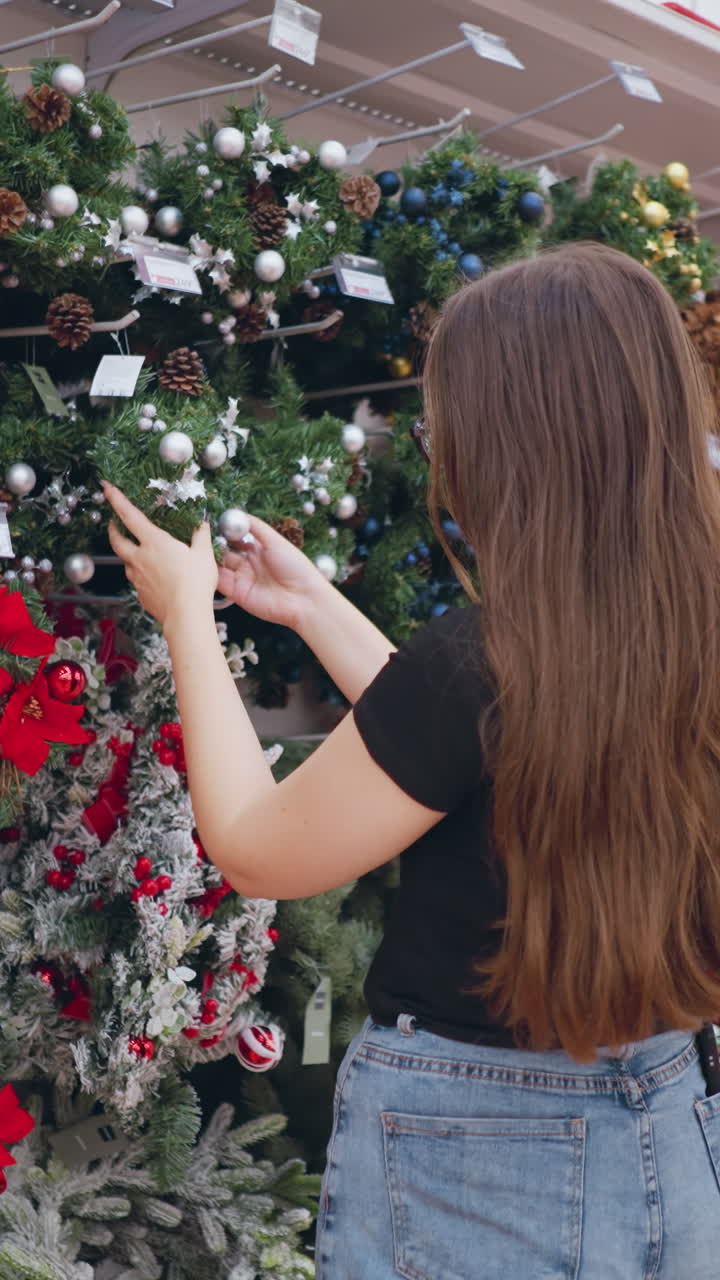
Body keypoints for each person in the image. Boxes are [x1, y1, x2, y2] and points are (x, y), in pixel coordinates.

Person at [103, 242, 720, 1278]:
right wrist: (308, 606)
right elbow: (486, 750)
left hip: (483, 1154)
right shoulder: (671, 637)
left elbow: (257, 848)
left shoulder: (482, 664)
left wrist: (187, 622)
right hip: (668, 1116)